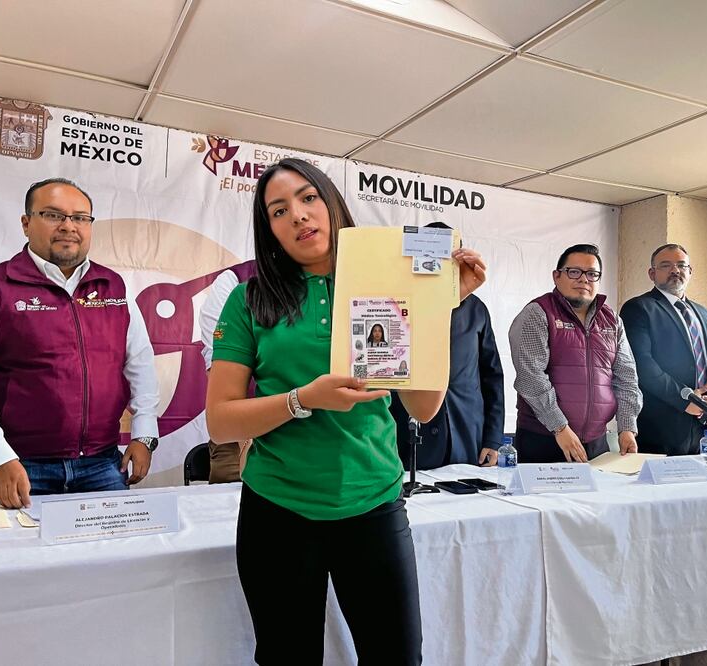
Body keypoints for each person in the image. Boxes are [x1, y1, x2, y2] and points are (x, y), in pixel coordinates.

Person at [205, 158, 486, 665]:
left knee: (397, 657)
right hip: (278, 510)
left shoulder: (386, 287)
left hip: (373, 502)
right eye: (279, 210)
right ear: (268, 229)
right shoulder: (249, 300)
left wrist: (436, 305)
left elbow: (423, 407)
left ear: (332, 204)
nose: (298, 216)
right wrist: (303, 400)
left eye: (309, 198)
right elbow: (221, 420)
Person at [0, 178, 159, 509]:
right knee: (17, 561)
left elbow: (140, 364)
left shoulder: (113, 286)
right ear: (26, 223)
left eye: (80, 218)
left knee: (111, 560)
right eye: (53, 215)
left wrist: (145, 433)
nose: (69, 226)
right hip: (19, 466)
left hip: (103, 465)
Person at [510, 244, 641, 463]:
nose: (583, 279)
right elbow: (530, 377)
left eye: (592, 274)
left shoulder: (612, 320)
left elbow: (627, 377)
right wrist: (559, 427)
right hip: (545, 438)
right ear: (557, 276)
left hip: (597, 442)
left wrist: (627, 427)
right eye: (574, 272)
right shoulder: (538, 313)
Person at [390, 222, 505, 470]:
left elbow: (492, 377)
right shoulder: (396, 305)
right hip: (408, 435)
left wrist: (493, 439)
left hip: (466, 433)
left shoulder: (477, 310)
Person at [620, 243, 707, 456]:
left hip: (703, 425)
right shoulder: (639, 308)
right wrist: (685, 400)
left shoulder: (703, 313)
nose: (675, 270)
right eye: (666, 265)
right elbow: (642, 365)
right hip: (661, 424)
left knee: (704, 486)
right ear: (652, 273)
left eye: (681, 265)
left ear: (690, 271)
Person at [199, 259, 257, 482]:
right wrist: (246, 444)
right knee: (231, 512)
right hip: (239, 437)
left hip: (309, 433)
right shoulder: (234, 280)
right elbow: (218, 366)